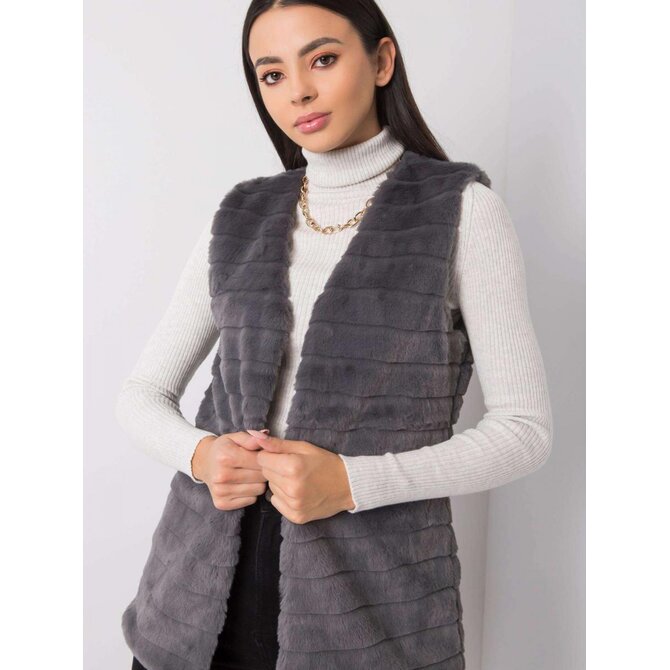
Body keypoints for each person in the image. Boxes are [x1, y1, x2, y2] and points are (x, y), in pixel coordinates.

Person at [117, 2, 553, 669]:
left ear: (381, 60)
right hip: (194, 594)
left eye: (322, 59)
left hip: (369, 606)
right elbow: (142, 393)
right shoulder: (240, 215)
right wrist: (201, 455)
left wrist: (352, 482)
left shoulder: (463, 211)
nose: (298, 91)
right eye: (272, 74)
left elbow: (524, 432)